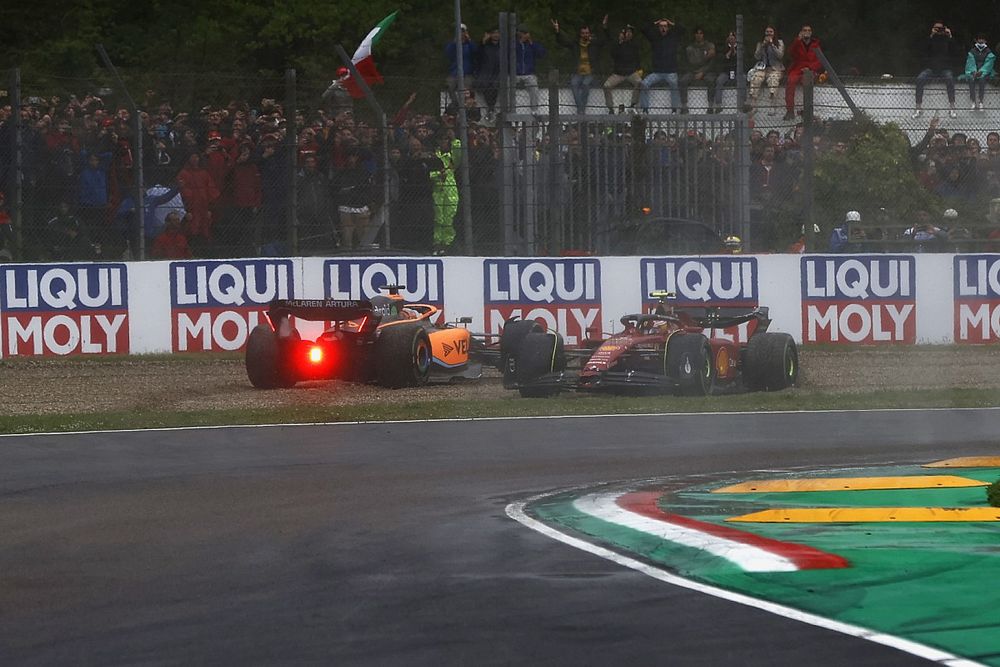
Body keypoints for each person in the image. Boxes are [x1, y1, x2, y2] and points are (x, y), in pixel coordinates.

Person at [552, 15, 607, 114]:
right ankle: (581, 109)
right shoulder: (575, 44)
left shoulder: (594, 44)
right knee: (573, 84)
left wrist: (604, 27)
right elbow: (563, 41)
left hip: (590, 72)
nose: (585, 35)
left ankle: (580, 110)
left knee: (586, 85)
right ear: (580, 34)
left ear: (589, 33)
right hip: (577, 72)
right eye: (583, 33)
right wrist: (557, 31)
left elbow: (604, 40)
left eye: (587, 33)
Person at [913, 21, 959, 119]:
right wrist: (931, 36)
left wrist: (950, 36)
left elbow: (956, 51)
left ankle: (952, 107)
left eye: (940, 28)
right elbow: (922, 50)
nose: (939, 31)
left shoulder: (948, 40)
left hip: (945, 68)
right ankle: (918, 107)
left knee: (950, 79)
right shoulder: (930, 39)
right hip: (931, 68)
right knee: (920, 79)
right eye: (936, 28)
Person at [640, 18, 684, 113]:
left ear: (668, 28)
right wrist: (655, 22)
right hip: (657, 72)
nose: (663, 28)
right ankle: (644, 109)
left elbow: (682, 28)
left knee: (674, 85)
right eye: (661, 26)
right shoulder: (655, 37)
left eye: (665, 26)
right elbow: (643, 29)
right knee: (644, 84)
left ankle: (674, 110)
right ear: (658, 28)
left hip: (671, 72)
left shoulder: (673, 37)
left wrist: (671, 23)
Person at [784, 25, 823, 120]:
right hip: (797, 68)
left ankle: (807, 111)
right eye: (805, 30)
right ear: (801, 32)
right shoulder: (798, 42)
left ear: (811, 32)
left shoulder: (815, 44)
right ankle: (790, 111)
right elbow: (790, 53)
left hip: (810, 70)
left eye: (809, 30)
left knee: (807, 84)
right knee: (790, 82)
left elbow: (820, 60)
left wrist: (809, 68)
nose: (807, 32)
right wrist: (797, 40)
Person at [429, 133, 460, 254]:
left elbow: (458, 155)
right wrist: (438, 175)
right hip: (437, 190)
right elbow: (427, 173)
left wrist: (454, 139)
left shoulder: (451, 157)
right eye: (442, 139)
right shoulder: (433, 155)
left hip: (450, 190)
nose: (444, 142)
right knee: (438, 218)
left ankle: (447, 244)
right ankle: (437, 243)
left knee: (449, 218)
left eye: (446, 139)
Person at [603, 23, 643, 113]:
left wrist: (639, 69)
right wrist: (619, 43)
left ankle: (633, 104)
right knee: (606, 86)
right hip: (618, 73)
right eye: (627, 32)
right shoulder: (617, 44)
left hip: (631, 72)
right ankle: (610, 108)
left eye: (630, 33)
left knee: (639, 82)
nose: (629, 34)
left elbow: (637, 58)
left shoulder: (634, 45)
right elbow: (613, 54)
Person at [748, 26, 785, 114]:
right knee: (756, 78)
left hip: (775, 68)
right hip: (763, 68)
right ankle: (753, 105)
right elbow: (756, 56)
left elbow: (780, 55)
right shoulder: (760, 43)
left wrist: (772, 45)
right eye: (767, 32)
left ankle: (772, 106)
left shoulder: (780, 42)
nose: (769, 33)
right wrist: (762, 46)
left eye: (771, 32)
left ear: (774, 33)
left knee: (773, 79)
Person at [679, 27, 716, 114]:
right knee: (683, 81)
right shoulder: (690, 48)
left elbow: (712, 63)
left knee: (711, 80)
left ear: (703, 35)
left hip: (706, 71)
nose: (699, 35)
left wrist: (703, 72)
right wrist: (706, 57)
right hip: (693, 71)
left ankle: (710, 107)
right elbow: (693, 63)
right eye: (697, 33)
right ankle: (684, 106)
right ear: (694, 35)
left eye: (701, 33)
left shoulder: (710, 45)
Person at [445, 23, 479, 110]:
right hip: (454, 72)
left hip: (467, 73)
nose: (461, 33)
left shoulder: (470, 45)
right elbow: (448, 54)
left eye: (463, 31)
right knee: (450, 85)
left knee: (466, 88)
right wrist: (454, 42)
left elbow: (476, 51)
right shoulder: (452, 44)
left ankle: (465, 107)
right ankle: (455, 104)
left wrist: (469, 40)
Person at [514, 25, 547, 113]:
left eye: (526, 33)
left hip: (529, 73)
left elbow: (541, 54)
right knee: (508, 86)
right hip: (515, 73)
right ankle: (510, 109)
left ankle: (534, 110)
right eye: (523, 33)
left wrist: (531, 43)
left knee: (534, 87)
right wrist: (519, 41)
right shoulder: (513, 44)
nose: (525, 35)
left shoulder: (531, 45)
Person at [962, 34, 995, 111]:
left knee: (982, 80)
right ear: (976, 40)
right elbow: (970, 62)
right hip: (973, 71)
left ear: (985, 41)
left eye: (982, 39)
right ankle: (973, 101)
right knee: (971, 79)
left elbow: (989, 64)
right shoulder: (972, 51)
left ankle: (981, 101)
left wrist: (981, 71)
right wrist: (973, 72)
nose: (981, 41)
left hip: (984, 72)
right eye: (979, 39)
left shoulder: (989, 52)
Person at [476, 28, 502, 122]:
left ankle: (494, 111)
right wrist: (482, 42)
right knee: (483, 86)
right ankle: (488, 111)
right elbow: (477, 56)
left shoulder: (503, 46)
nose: (496, 35)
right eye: (493, 33)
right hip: (486, 73)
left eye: (497, 33)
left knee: (496, 87)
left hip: (498, 73)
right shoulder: (485, 46)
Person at [711, 30, 739, 114]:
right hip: (726, 71)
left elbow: (741, 59)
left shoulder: (741, 47)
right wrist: (730, 51)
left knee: (742, 80)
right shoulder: (723, 48)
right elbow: (721, 59)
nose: (731, 38)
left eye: (733, 36)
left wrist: (734, 50)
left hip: (737, 71)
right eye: (729, 36)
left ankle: (743, 103)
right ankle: (718, 105)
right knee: (719, 81)